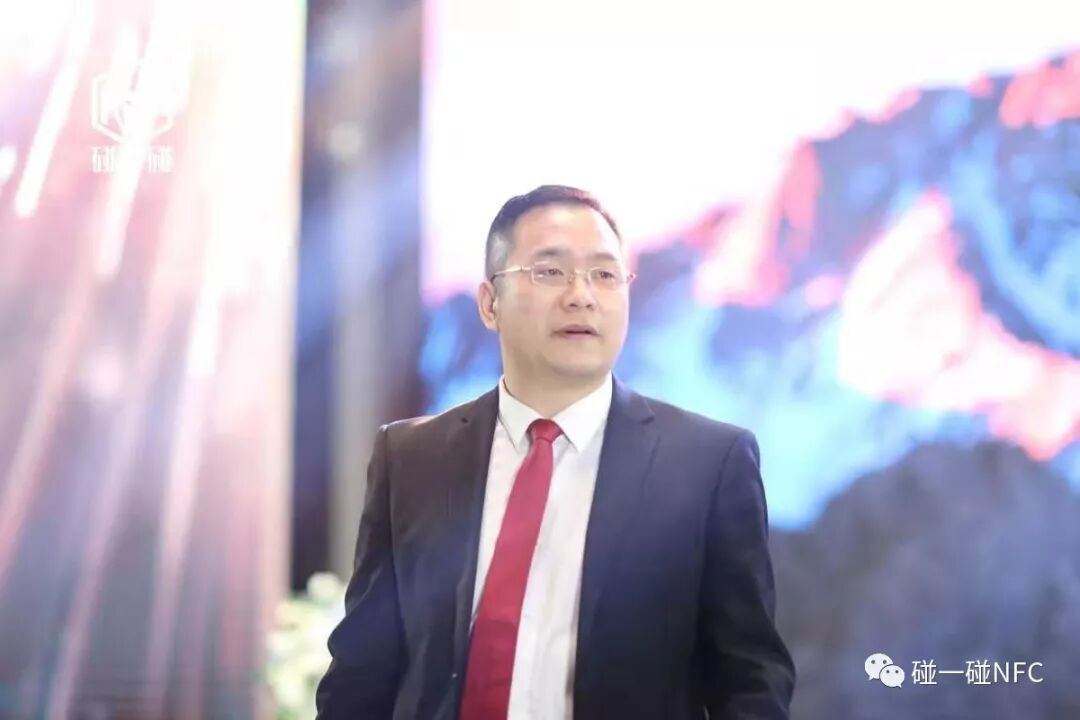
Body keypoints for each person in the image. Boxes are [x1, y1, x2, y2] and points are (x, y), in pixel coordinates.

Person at [316, 185, 796, 719]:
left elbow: (749, 682)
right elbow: (360, 674)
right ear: (490, 303)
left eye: (605, 274)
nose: (581, 295)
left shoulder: (707, 464)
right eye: (550, 271)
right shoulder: (412, 457)